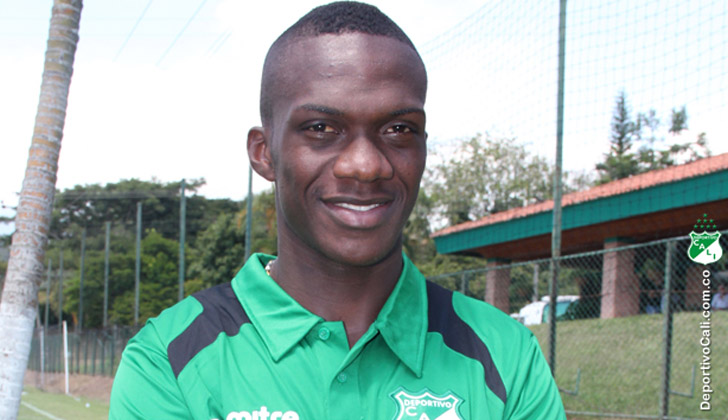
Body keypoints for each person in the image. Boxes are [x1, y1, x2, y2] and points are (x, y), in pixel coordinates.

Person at [109, 2, 566, 419]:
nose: (366, 165)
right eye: (322, 128)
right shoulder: (168, 360)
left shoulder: (507, 355)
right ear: (264, 153)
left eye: (399, 129)